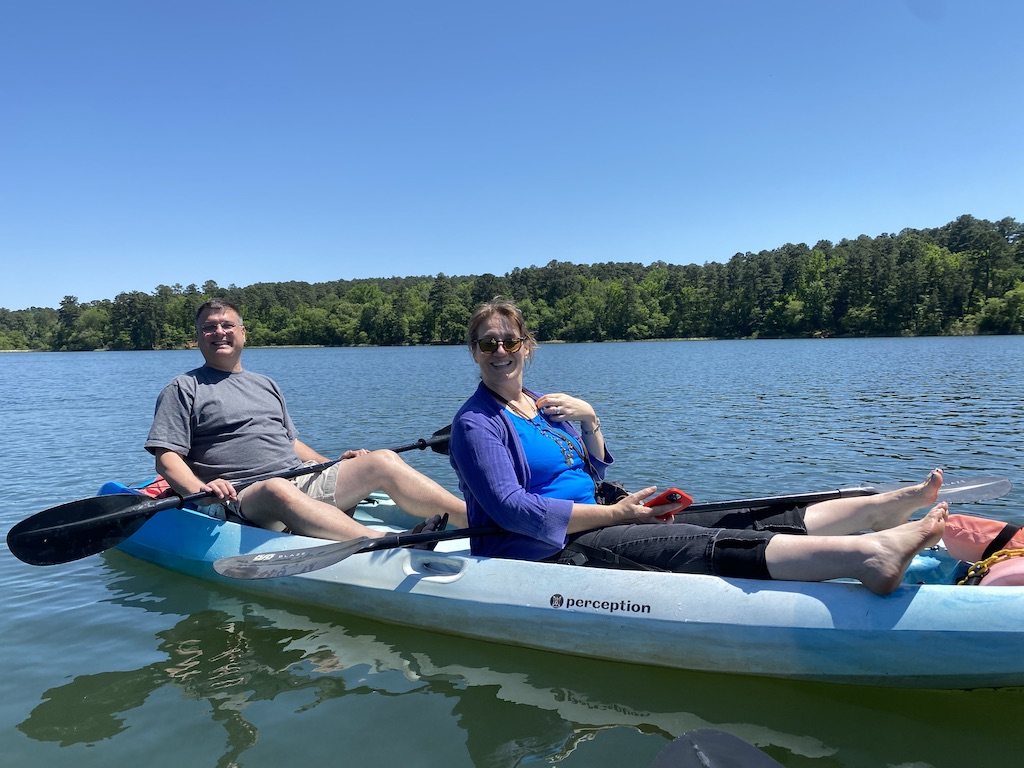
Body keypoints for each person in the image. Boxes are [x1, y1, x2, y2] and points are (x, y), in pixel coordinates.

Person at [448, 297, 948, 595]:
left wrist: (592, 419)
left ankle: (878, 510)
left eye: (509, 342)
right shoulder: (476, 424)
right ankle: (868, 557)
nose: (500, 352)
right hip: (543, 551)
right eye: (488, 343)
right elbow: (515, 512)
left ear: (526, 347)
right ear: (473, 352)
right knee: (697, 541)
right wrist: (617, 517)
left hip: (601, 515)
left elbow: (591, 474)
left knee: (735, 515)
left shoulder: (543, 403)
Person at [145, 298, 466, 541]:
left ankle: (477, 519)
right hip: (245, 499)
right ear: (198, 337)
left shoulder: (265, 384)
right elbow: (167, 460)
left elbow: (290, 442)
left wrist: (332, 464)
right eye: (209, 327)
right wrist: (202, 490)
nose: (219, 332)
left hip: (300, 480)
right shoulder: (184, 387)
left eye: (227, 325)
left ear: (242, 333)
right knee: (276, 488)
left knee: (381, 460)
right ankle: (391, 542)